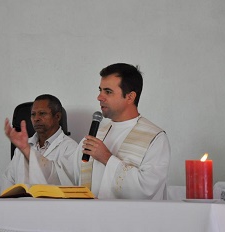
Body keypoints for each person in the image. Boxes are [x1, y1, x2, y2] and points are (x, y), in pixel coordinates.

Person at [73, 63, 171, 200]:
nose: (99, 97)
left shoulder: (155, 138)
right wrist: (32, 154)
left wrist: (107, 158)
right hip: (91, 217)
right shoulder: (96, 135)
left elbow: (147, 188)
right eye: (100, 90)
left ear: (130, 97)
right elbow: (68, 176)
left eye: (108, 91)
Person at [1, 94, 78, 193]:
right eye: (33, 114)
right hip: (21, 206)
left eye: (42, 113)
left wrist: (28, 151)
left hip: (53, 207)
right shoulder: (22, 147)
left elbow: (60, 181)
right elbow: (8, 181)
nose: (36, 118)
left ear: (57, 116)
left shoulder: (71, 148)